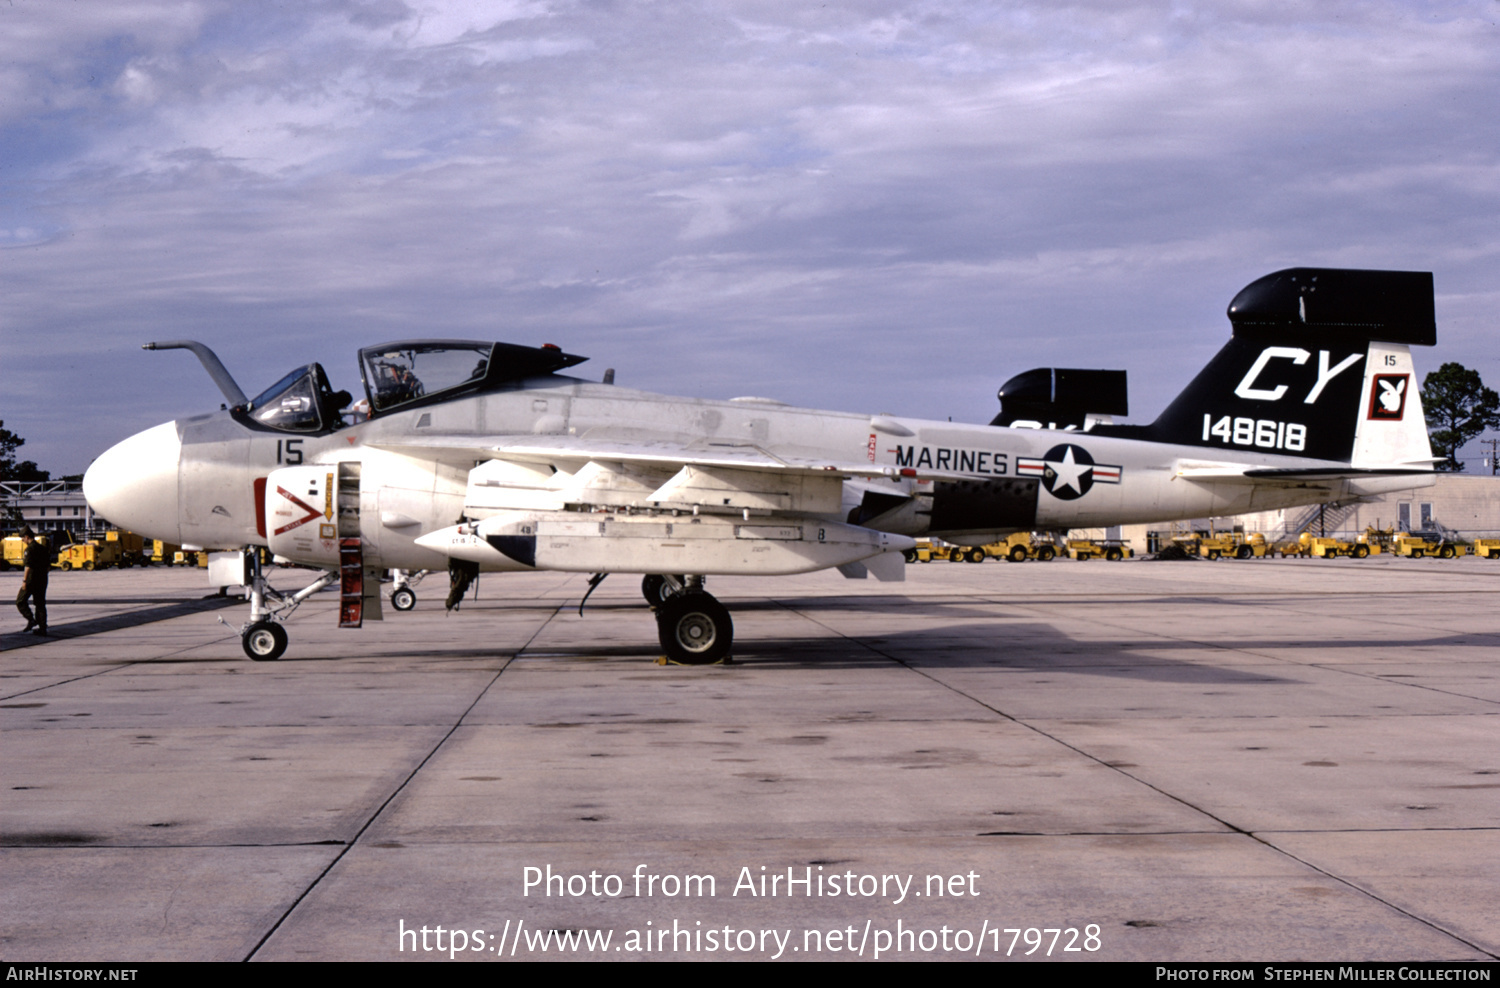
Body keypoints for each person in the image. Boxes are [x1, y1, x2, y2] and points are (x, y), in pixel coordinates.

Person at [17, 530, 49, 636]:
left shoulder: (29, 549)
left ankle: (31, 620)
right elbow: (48, 566)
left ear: (27, 537)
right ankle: (42, 628)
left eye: (22, 538)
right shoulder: (42, 548)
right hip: (42, 579)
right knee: (40, 604)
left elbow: (28, 567)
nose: (22, 540)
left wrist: (25, 581)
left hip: (31, 580)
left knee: (20, 601)